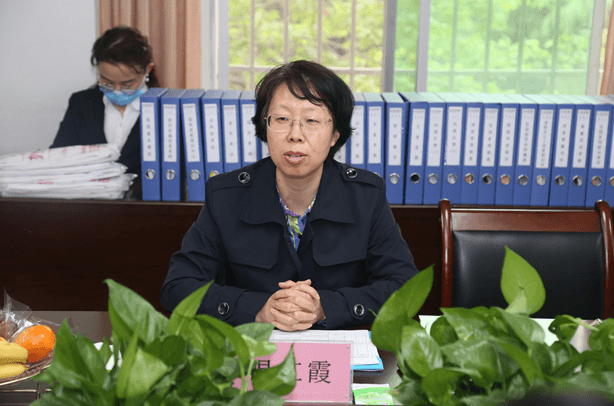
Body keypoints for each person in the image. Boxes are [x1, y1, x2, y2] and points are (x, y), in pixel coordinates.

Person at [160, 60, 419, 331]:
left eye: (311, 121)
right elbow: (178, 287)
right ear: (265, 127)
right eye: (282, 119)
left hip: (339, 349)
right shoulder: (226, 196)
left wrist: (326, 307)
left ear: (335, 134)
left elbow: (406, 288)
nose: (295, 135)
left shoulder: (365, 196)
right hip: (254, 350)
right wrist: (258, 309)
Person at [51, 26, 159, 176]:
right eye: (107, 82)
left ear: (148, 70)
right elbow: (58, 156)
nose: (117, 90)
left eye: (127, 84)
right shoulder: (81, 103)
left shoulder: (166, 109)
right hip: (89, 190)